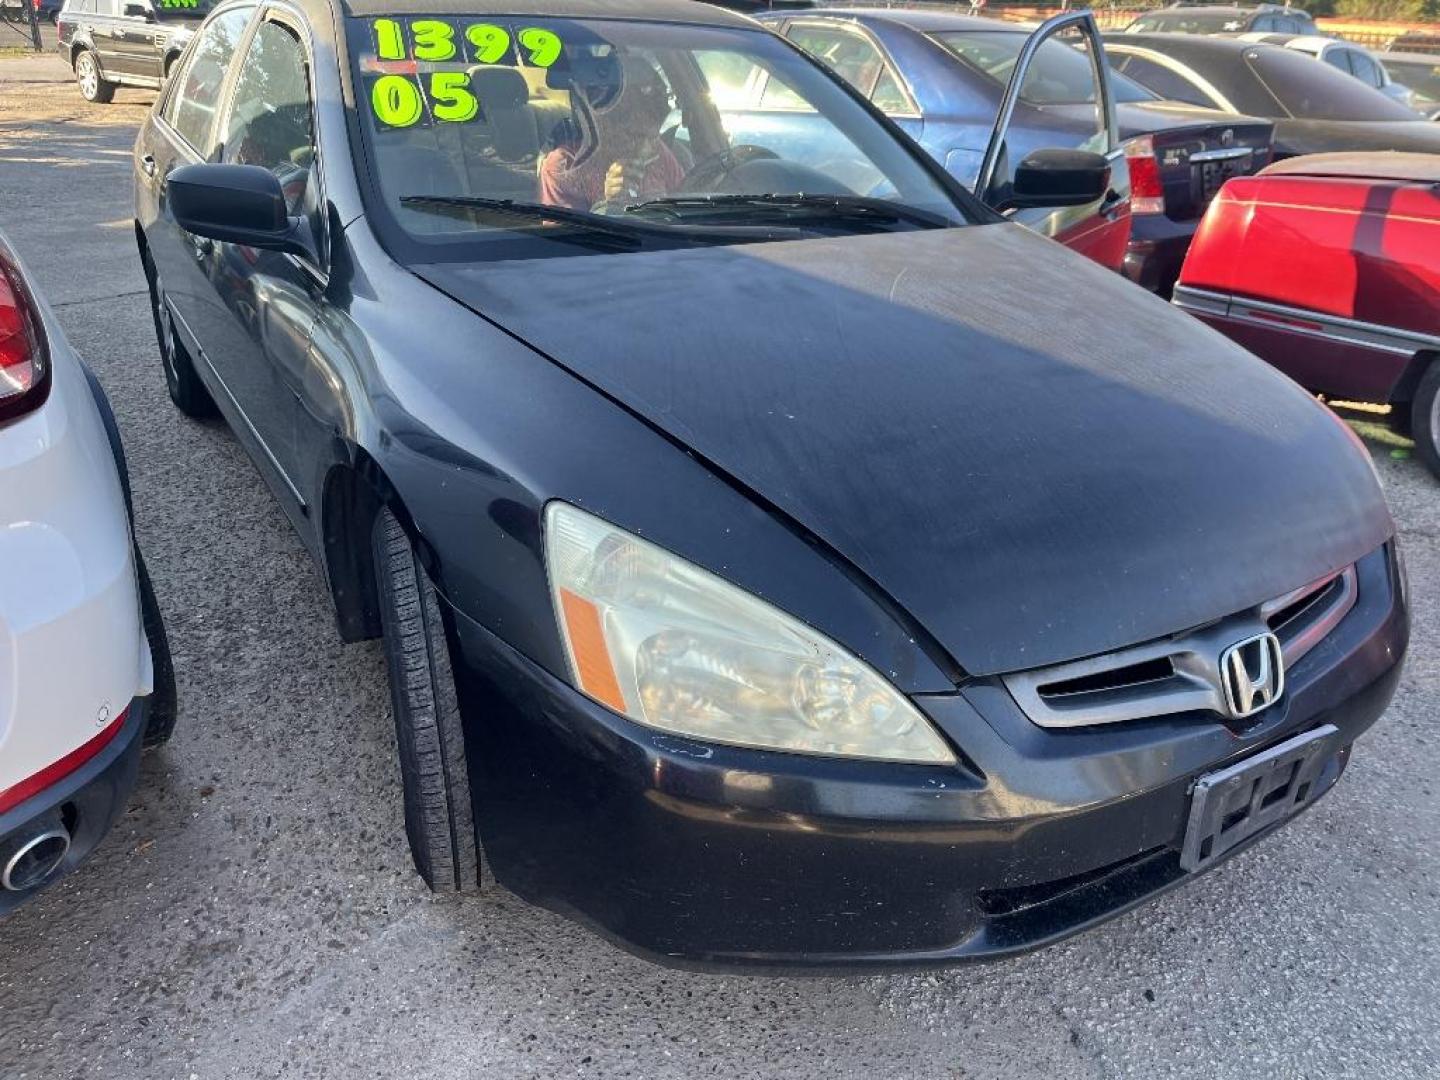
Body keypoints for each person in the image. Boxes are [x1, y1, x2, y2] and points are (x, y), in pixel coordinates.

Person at [539, 55, 685, 212]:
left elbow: (687, 205)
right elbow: (567, 235)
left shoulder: (658, 151)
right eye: (636, 136)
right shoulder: (564, 167)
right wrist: (608, 204)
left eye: (653, 135)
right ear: (602, 124)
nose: (647, 146)